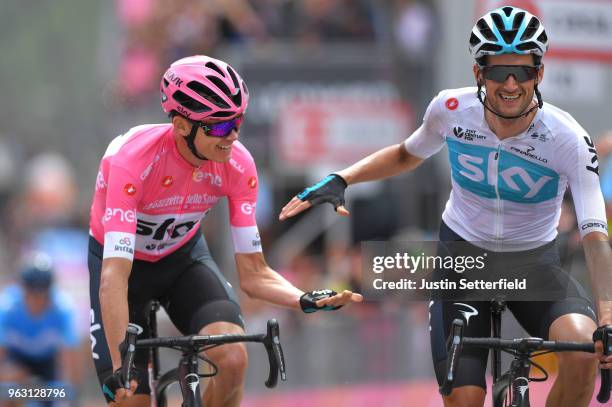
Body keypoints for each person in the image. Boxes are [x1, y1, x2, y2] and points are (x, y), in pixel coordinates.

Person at [279, 6, 612, 407]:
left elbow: (595, 234)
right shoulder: (450, 110)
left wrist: (607, 316)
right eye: (496, 71)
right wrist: (344, 177)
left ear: (538, 74)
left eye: (522, 71)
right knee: (465, 399)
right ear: (478, 74)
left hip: (535, 265)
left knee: (581, 353)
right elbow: (406, 154)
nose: (510, 83)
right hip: (464, 262)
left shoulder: (568, 139)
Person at [88, 55, 362, 407]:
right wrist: (119, 366)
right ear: (182, 125)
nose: (231, 136)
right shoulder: (132, 160)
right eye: (218, 127)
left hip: (181, 260)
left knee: (232, 360)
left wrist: (303, 298)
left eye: (237, 123)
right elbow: (114, 276)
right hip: (124, 274)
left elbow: (253, 274)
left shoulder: (238, 164)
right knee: (129, 397)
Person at [0, 254, 78, 405]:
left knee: (62, 399)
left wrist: (68, 394)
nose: (37, 300)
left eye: (42, 294)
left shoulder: (62, 309)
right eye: (32, 294)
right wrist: (9, 376)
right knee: (7, 394)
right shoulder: (6, 309)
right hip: (16, 364)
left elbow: (70, 361)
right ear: (22, 290)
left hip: (47, 366)